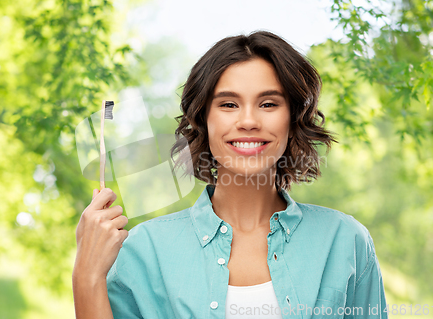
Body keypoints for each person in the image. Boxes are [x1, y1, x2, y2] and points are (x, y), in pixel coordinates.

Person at [72, 30, 388, 319]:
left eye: (268, 103)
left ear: (292, 121)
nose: (248, 121)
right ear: (203, 120)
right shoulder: (144, 250)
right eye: (228, 104)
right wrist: (86, 276)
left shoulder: (346, 241)